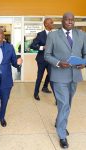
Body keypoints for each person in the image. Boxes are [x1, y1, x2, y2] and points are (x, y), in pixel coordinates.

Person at [44, 12, 86, 149]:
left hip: (74, 75)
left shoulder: (81, 35)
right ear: (62, 21)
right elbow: (47, 55)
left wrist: (84, 63)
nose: (70, 22)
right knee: (64, 104)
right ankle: (62, 134)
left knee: (67, 103)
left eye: (72, 20)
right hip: (59, 76)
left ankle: (58, 121)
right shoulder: (53, 35)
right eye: (67, 20)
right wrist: (58, 63)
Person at [30, 18, 54, 101]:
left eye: (52, 22)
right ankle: (35, 93)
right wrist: (42, 47)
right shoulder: (40, 34)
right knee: (39, 77)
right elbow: (32, 46)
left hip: (51, 60)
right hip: (41, 60)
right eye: (51, 23)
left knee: (52, 77)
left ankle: (57, 98)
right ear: (46, 24)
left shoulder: (54, 35)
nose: (52, 24)